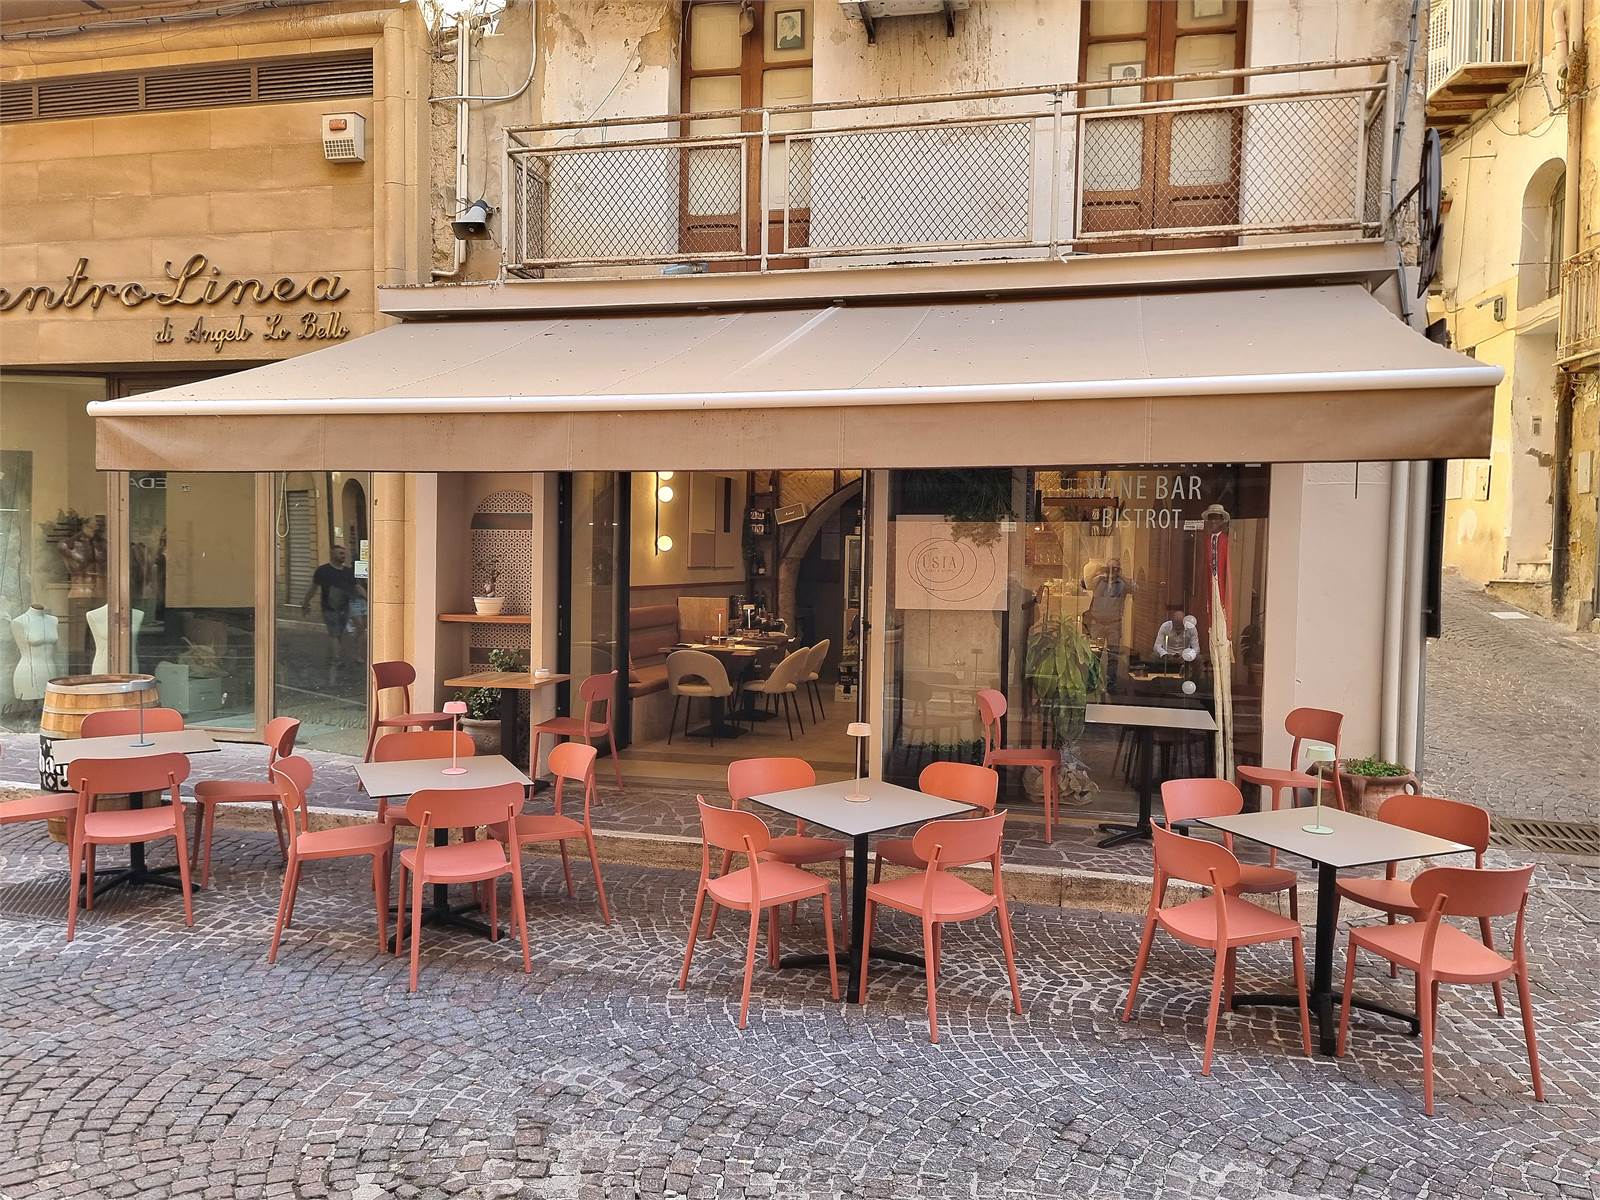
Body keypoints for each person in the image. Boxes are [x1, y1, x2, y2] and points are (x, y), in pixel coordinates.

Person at [301, 544, 365, 685]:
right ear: (332, 554)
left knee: (341, 633)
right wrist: (306, 603)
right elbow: (313, 588)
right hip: (329, 608)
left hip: (345, 607)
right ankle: (336, 659)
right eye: (340, 553)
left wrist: (369, 598)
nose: (343, 556)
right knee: (334, 633)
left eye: (344, 553)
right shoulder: (323, 571)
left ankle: (341, 656)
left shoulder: (347, 572)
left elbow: (357, 586)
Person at [1083, 557, 1136, 688]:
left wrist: (1121, 576)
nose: (1112, 571)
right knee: (1094, 653)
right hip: (1097, 623)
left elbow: (1136, 588)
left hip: (1114, 624)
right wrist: (1099, 572)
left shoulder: (1122, 584)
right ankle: (1092, 681)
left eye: (1115, 568)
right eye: (1110, 568)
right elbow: (1084, 583)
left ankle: (1111, 682)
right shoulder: (1098, 581)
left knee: (1113, 655)